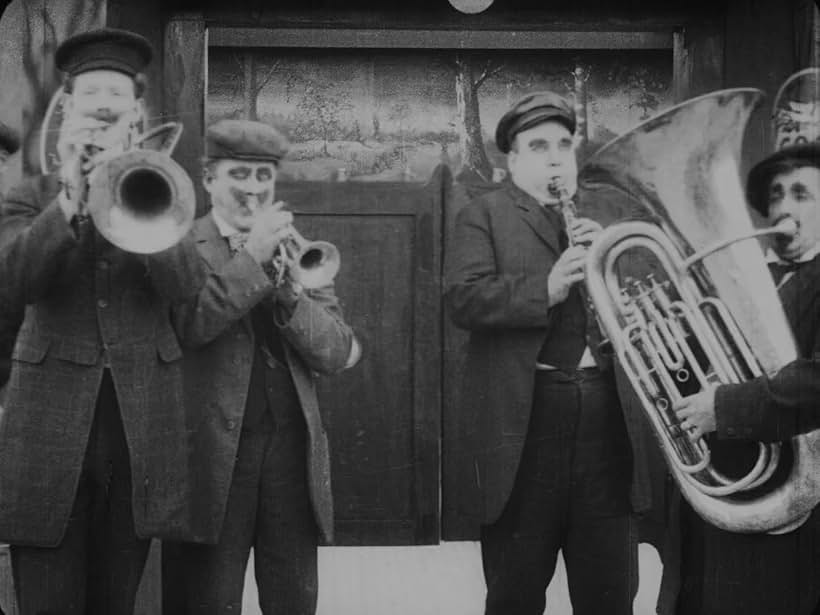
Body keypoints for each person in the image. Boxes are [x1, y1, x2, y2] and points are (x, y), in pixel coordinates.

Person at [0, 28, 204, 615]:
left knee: (118, 601)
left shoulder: (165, 189)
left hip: (138, 430)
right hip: (49, 429)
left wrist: (130, 187)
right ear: (67, 110)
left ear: (135, 116)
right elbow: (12, 287)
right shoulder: (28, 197)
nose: (104, 107)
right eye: (92, 96)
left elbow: (187, 289)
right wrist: (69, 200)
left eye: (117, 98)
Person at [445, 92, 642, 615]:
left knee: (611, 589)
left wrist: (614, 265)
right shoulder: (481, 214)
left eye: (563, 145)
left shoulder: (605, 215)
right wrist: (547, 289)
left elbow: (647, 302)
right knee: (515, 590)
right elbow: (462, 300)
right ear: (512, 159)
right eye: (538, 146)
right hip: (526, 420)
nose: (556, 158)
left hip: (606, 415)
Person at [161, 119, 360, 614]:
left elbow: (335, 352)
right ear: (209, 179)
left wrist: (293, 294)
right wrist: (252, 258)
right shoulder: (180, 243)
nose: (253, 189)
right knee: (206, 601)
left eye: (263, 177)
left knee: (292, 601)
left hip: (291, 456)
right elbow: (192, 324)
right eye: (240, 175)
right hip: (210, 458)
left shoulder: (299, 249)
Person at [669, 140, 820, 615]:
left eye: (802, 194)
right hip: (725, 489)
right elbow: (690, 371)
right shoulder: (743, 278)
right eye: (776, 195)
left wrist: (726, 407)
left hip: (794, 501)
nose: (783, 207)